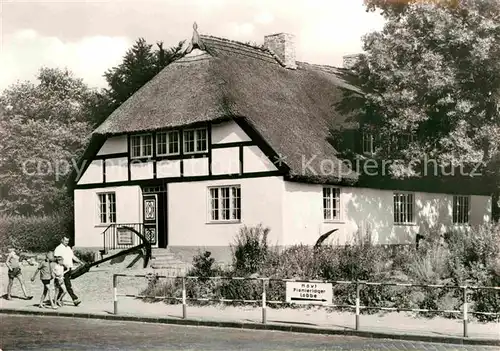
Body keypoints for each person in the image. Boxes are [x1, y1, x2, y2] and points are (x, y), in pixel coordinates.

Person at [54, 237, 82, 306]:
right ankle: (75, 299)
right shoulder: (58, 248)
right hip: (63, 269)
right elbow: (57, 259)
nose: (67, 242)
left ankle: (58, 299)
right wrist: (64, 265)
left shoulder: (68, 248)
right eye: (66, 241)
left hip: (69, 269)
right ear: (62, 240)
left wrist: (80, 262)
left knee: (63, 285)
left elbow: (73, 256)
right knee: (68, 284)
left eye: (68, 241)